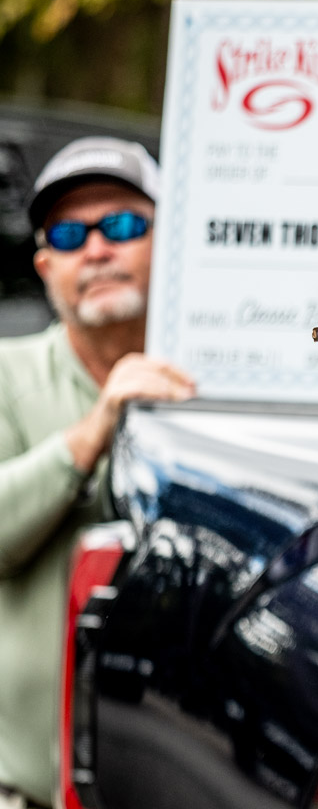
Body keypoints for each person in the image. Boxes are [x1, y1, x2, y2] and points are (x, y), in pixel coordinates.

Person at [0, 138, 194, 809]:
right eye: (68, 235)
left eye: (122, 225)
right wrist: (96, 428)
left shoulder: (221, 385)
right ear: (45, 266)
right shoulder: (6, 373)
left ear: (173, 241)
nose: (96, 249)